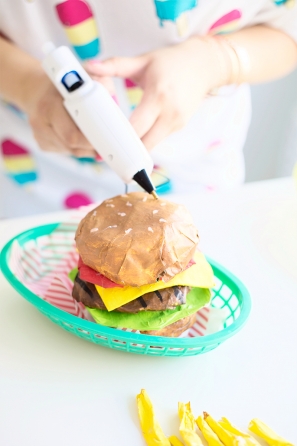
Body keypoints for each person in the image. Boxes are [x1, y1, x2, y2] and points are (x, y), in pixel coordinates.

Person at [0, 0, 297, 218]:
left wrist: (217, 60)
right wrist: (29, 86)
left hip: (199, 184)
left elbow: (287, 31)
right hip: (27, 184)